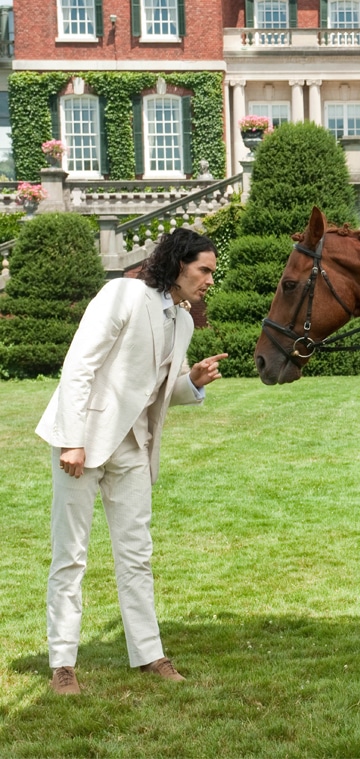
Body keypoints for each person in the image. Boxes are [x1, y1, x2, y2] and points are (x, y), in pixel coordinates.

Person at [35, 228, 229, 695]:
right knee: (71, 556)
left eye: (211, 274)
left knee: (137, 555)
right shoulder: (122, 293)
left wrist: (193, 380)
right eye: (204, 270)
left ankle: (149, 654)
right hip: (83, 440)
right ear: (179, 263)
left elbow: (160, 391)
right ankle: (63, 664)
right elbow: (80, 364)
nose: (208, 281)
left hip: (135, 448)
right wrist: (72, 440)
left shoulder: (183, 323)